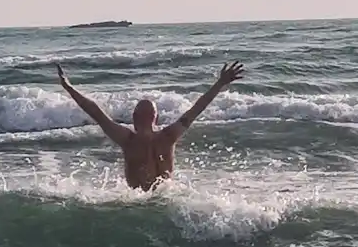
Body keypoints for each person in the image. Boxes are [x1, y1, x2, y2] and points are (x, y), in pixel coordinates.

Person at [55, 59, 244, 192]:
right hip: (165, 198)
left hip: (138, 203)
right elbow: (197, 108)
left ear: (134, 117)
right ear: (156, 118)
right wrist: (219, 84)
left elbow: (95, 112)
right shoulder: (169, 137)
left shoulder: (127, 140)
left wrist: (69, 88)